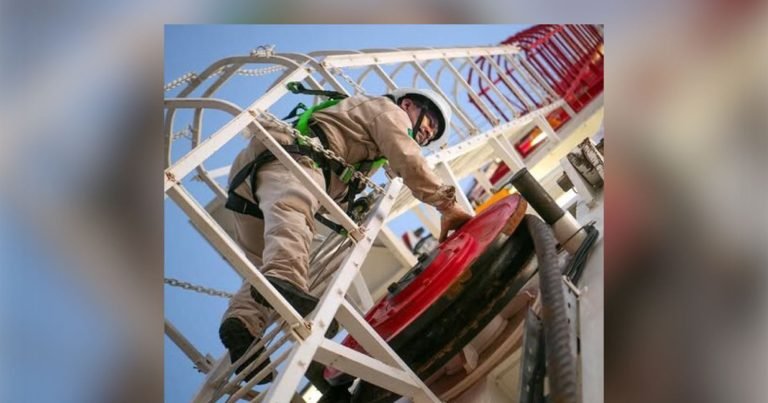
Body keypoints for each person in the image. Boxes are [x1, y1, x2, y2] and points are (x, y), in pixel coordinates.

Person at [218, 86, 474, 382]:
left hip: (249, 182)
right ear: (408, 105)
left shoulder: (364, 136)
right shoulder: (389, 111)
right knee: (294, 216)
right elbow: (408, 158)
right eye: (430, 121)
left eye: (434, 132)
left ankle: (242, 325)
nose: (428, 132)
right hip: (290, 161)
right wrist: (447, 205)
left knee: (262, 264)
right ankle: (286, 283)